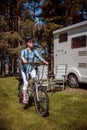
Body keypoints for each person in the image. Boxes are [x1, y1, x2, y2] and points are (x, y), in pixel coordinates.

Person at [20, 37, 48, 104]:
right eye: (30, 42)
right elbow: (21, 56)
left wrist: (44, 61)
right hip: (24, 69)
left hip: (31, 69)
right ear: (27, 43)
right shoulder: (23, 51)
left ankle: (38, 93)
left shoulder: (34, 51)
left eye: (32, 42)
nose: (31, 43)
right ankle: (24, 98)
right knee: (26, 83)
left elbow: (39, 56)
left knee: (36, 81)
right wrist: (23, 59)